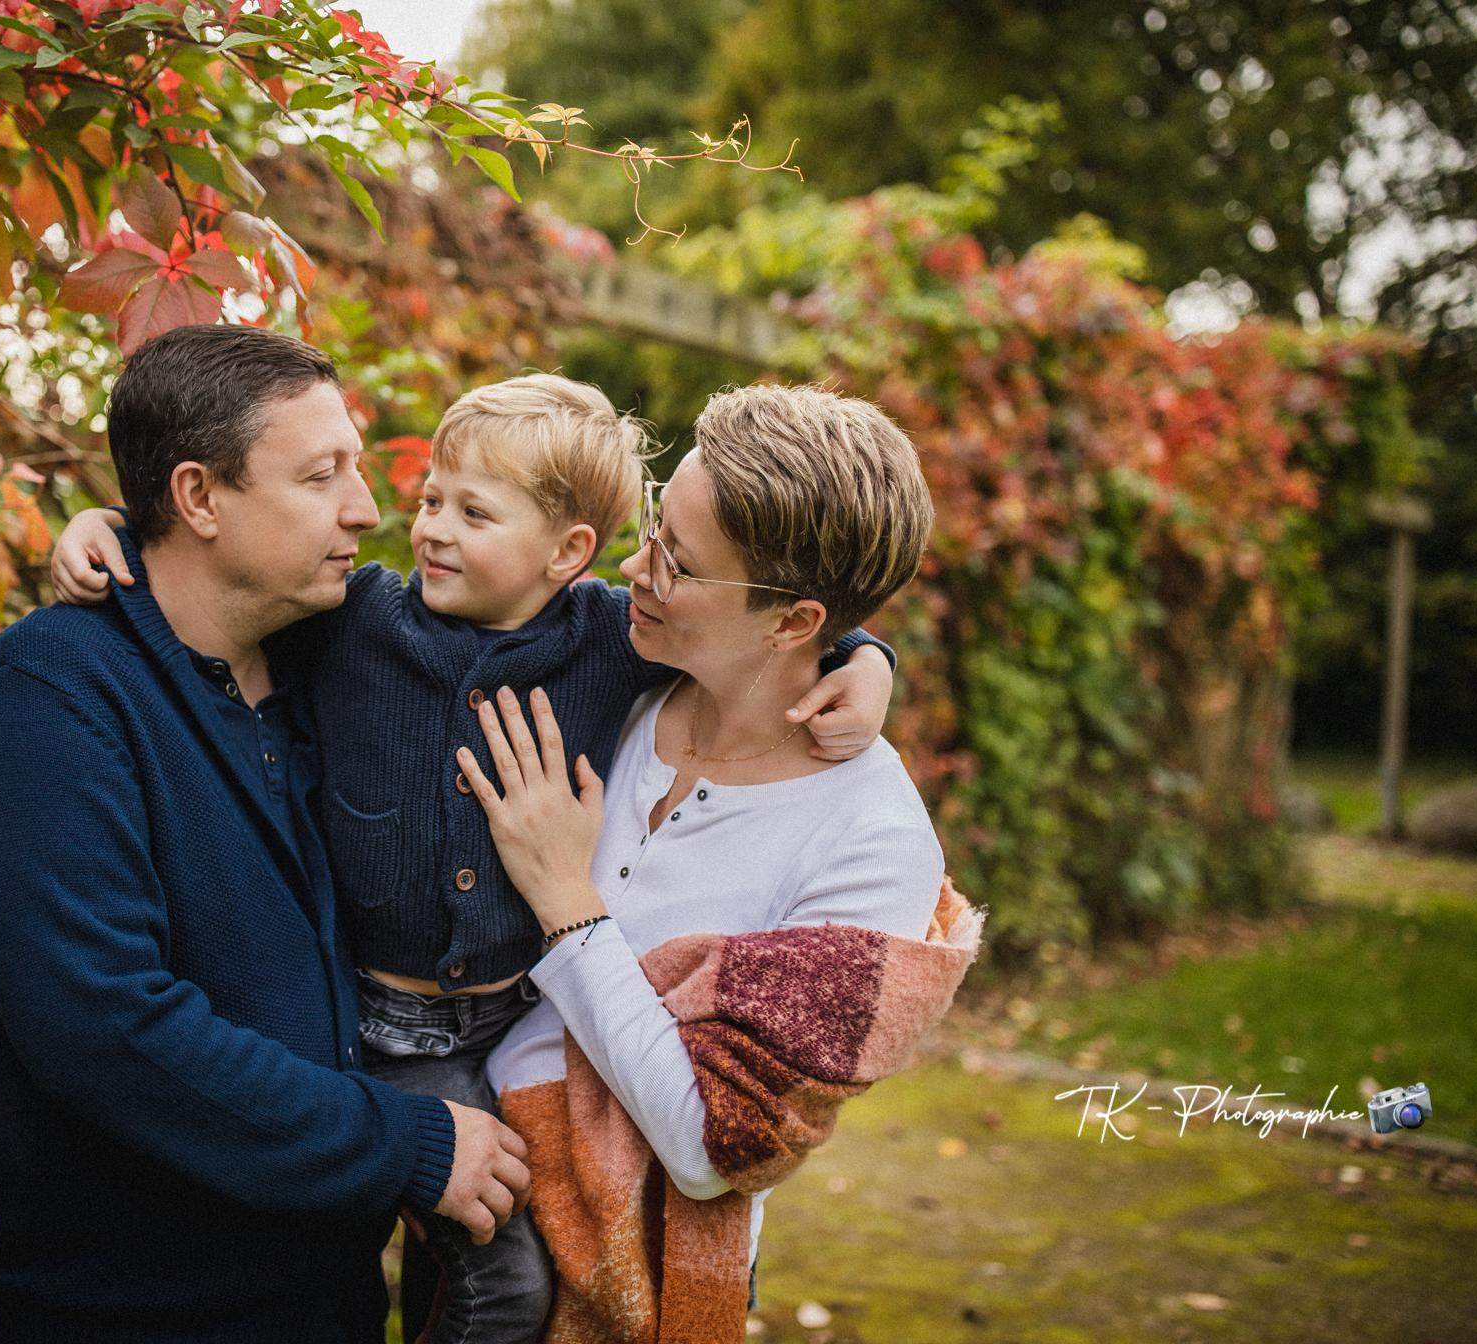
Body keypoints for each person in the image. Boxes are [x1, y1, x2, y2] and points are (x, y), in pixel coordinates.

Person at [47, 372, 900, 1342]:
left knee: (476, 1268)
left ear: (569, 554)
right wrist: (110, 528)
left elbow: (781, 619)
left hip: (506, 1029)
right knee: (495, 1279)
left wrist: (864, 659)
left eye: (474, 512)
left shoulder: (610, 640)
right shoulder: (356, 618)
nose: (432, 529)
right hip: (383, 1026)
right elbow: (225, 569)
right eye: (431, 501)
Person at [0, 325, 533, 1344]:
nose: (367, 507)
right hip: (137, 1319)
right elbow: (108, 1033)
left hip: (332, 1307)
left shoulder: (330, 662)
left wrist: (846, 648)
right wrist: (405, 1145)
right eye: (320, 476)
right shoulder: (50, 698)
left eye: (356, 467)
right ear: (200, 498)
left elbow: (587, 629)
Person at [466, 383, 972, 1340]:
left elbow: (713, 1146)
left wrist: (568, 905)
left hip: (636, 1271)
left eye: (679, 564)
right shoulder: (611, 677)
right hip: (474, 1213)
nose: (634, 566)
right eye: (655, 529)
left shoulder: (873, 845)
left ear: (791, 623)